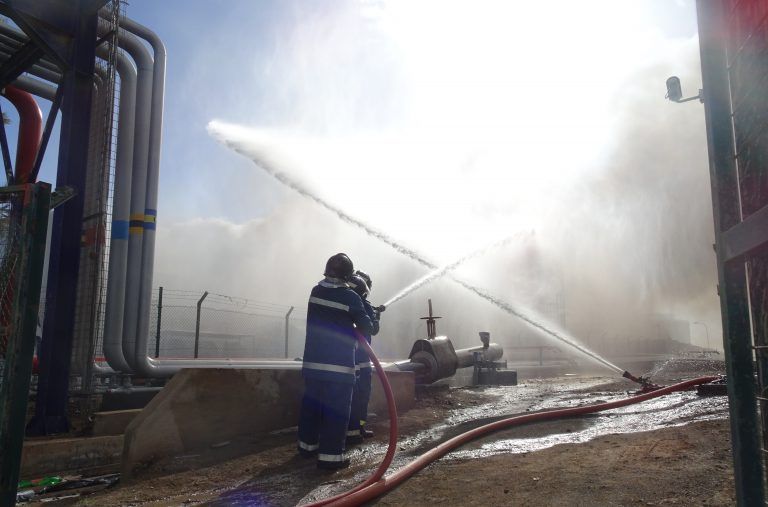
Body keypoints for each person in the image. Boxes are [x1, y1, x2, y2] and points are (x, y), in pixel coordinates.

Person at [297, 253, 374, 470]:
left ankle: (307, 447)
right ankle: (331, 458)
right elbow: (370, 329)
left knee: (311, 407)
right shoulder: (351, 297)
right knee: (336, 412)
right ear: (348, 276)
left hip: (312, 365)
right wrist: (366, 307)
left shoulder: (316, 291)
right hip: (339, 368)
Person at [346, 270, 383, 443]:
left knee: (350, 396)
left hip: (347, 358)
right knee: (362, 397)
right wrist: (376, 316)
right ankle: (357, 429)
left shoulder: (344, 301)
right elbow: (373, 329)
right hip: (362, 360)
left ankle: (354, 428)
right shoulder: (364, 305)